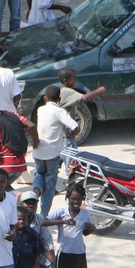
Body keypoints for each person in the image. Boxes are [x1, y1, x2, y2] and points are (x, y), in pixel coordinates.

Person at [31, 86, 78, 216]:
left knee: (39, 174)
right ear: (59, 99)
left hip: (38, 152)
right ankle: (43, 214)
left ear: (45, 98)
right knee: (50, 183)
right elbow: (75, 126)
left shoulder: (40, 110)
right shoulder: (59, 111)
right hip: (52, 154)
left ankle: (36, 190)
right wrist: (74, 134)